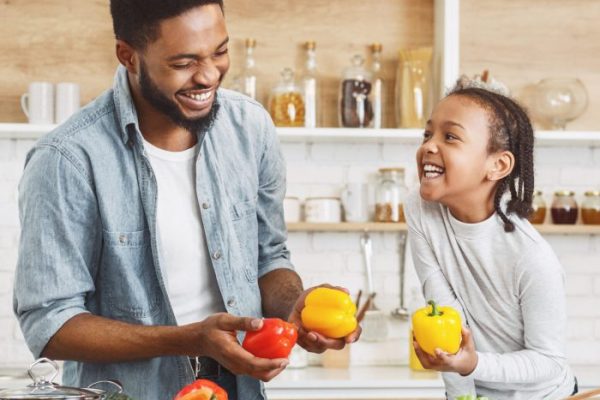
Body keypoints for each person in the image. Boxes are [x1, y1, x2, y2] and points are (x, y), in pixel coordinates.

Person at [13, 1, 360, 399]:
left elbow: (269, 256)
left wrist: (295, 306)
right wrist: (190, 339)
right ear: (128, 55)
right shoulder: (68, 160)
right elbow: (50, 323)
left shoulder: (249, 128)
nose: (209, 74)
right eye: (183, 63)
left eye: (220, 51)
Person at [405, 79, 576, 399]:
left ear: (497, 165)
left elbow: (549, 361)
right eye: (428, 134)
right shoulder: (420, 208)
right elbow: (447, 317)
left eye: (450, 136)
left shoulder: (531, 257)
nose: (429, 146)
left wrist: (472, 364)